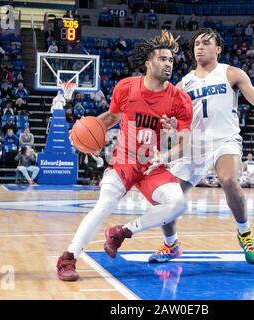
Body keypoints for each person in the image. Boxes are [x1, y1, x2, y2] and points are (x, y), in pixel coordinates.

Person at [150, 28, 254, 264]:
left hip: (224, 141)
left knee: (229, 179)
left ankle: (245, 233)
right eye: (197, 43)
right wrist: (171, 124)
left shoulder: (231, 74)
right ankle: (171, 245)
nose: (199, 47)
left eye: (206, 43)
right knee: (166, 198)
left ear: (218, 49)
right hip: (194, 146)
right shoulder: (183, 84)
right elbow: (174, 119)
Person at [57, 31, 193, 282]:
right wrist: (80, 134)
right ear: (148, 63)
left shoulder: (180, 99)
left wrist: (166, 156)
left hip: (153, 164)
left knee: (178, 203)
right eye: (162, 59)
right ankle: (68, 257)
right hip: (125, 160)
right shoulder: (126, 87)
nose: (168, 64)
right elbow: (110, 118)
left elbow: (186, 142)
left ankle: (122, 232)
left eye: (171, 60)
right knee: (105, 204)